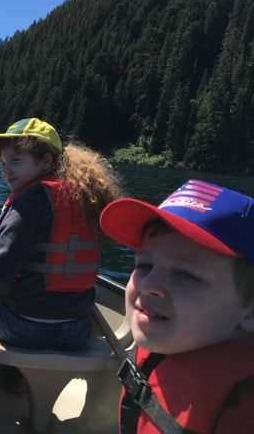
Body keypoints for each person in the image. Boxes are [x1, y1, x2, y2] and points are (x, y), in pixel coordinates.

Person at [99, 179, 254, 433]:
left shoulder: (245, 411)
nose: (149, 284)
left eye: (184, 274)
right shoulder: (180, 340)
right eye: (143, 265)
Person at [0, 117, 122, 350]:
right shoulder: (87, 198)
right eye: (3, 163)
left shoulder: (27, 203)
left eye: (16, 160)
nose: (6, 170)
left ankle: (0, 367)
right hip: (76, 330)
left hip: (20, 327)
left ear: (45, 161)